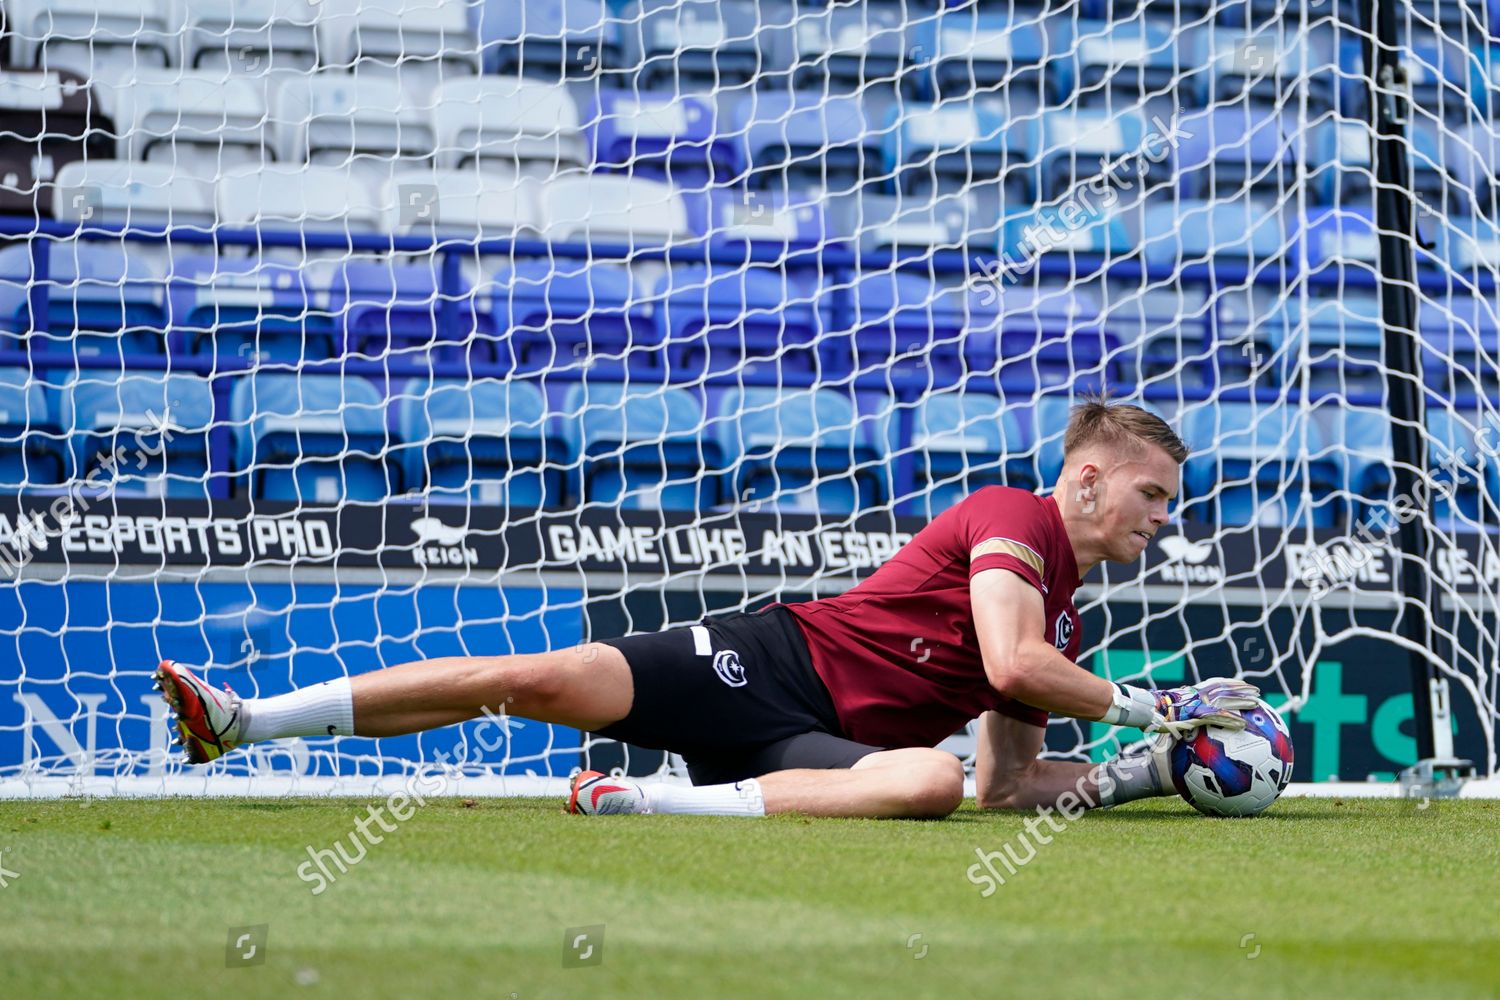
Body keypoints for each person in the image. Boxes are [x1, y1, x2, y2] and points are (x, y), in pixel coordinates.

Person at [155, 395, 1259, 820]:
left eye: (1169, 499)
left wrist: (1149, 771)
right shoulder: (1012, 513)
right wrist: (1155, 710)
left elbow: (1013, 784)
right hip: (768, 660)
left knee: (934, 779)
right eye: (1152, 493)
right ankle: (244, 721)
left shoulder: (1069, 625)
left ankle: (644, 803)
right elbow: (1012, 670)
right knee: (536, 679)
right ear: (1085, 482)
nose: (1162, 515)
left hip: (816, 750)